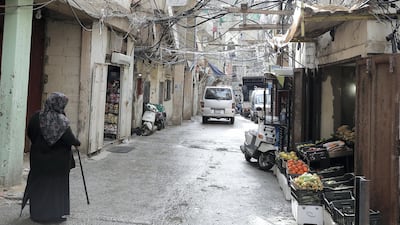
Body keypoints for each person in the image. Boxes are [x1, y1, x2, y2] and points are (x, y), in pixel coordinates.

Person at [21, 92, 81, 223]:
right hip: (58, 163)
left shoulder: (36, 116)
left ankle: (37, 214)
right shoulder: (62, 120)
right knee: (56, 188)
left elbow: (30, 132)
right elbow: (69, 139)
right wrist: (77, 143)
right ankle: (54, 215)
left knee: (39, 185)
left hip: (38, 159)